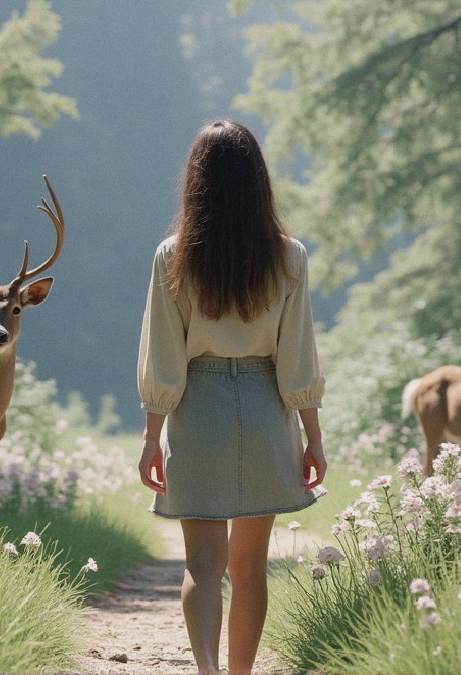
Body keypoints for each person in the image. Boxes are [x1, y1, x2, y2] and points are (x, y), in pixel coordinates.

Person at [137, 120, 326, 675]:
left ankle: (208, 673)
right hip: (269, 412)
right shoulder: (289, 256)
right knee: (249, 568)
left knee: (202, 564)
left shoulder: (173, 256)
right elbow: (298, 358)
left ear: (197, 182)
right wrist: (313, 437)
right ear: (258, 183)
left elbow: (164, 357)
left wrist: (151, 437)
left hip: (199, 411)